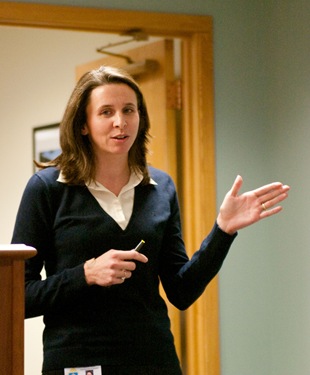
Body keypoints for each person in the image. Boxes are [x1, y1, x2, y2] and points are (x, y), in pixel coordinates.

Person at [11, 65, 290, 375]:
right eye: (106, 112)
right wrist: (86, 274)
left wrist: (223, 231)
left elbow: (181, 292)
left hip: (154, 360)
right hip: (78, 362)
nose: (120, 122)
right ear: (83, 125)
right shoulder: (47, 188)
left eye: (129, 109)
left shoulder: (160, 187)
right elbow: (15, 298)